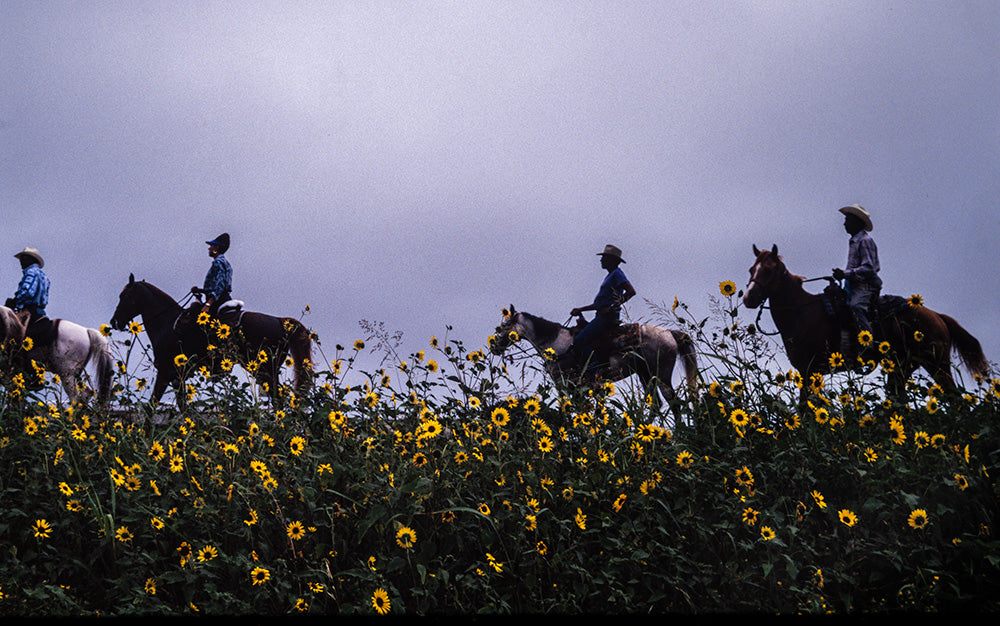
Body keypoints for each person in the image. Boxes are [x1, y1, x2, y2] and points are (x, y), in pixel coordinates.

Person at [569, 244, 636, 374]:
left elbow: (631, 291)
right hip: (602, 315)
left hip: (607, 317)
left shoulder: (617, 274)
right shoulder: (611, 275)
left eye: (604, 258)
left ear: (612, 260)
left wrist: (612, 307)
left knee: (579, 341)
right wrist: (581, 309)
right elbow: (600, 304)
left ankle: (595, 373)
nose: (601, 260)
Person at [832, 205, 881, 337]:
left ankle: (866, 344)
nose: (844, 224)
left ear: (857, 222)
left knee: (856, 307)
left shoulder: (865, 241)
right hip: (854, 285)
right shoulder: (854, 241)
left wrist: (845, 274)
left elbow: (869, 268)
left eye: (847, 220)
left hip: (865, 286)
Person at [6, 246, 52, 345]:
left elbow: (27, 292)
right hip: (40, 312)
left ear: (31, 259)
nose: (21, 261)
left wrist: (14, 301)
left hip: (28, 311)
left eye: (24, 258)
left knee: (9, 334)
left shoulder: (31, 273)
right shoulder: (45, 277)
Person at [192, 233, 232, 315]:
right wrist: (200, 290)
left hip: (217, 301)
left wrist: (208, 304)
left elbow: (219, 285)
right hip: (223, 298)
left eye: (211, 246)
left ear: (216, 248)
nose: (209, 248)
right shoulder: (226, 263)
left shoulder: (218, 262)